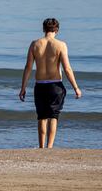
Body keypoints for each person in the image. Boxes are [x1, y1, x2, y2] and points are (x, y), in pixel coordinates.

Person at [19, 18, 82, 148]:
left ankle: (41, 147)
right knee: (53, 116)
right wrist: (76, 87)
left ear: (43, 29)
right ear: (57, 30)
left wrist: (23, 88)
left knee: (41, 116)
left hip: (40, 85)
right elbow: (67, 69)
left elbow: (28, 67)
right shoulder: (61, 45)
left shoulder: (35, 44)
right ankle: (50, 147)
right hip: (55, 86)